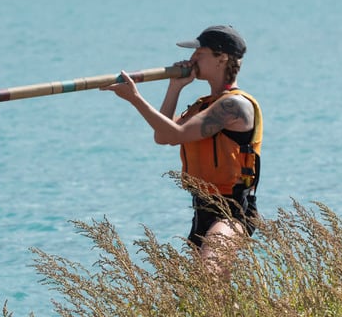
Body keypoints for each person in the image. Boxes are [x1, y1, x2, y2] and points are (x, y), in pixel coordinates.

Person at [103, 24, 263, 264]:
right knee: (204, 291)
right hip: (203, 208)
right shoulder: (204, 104)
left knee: (208, 274)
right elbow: (164, 136)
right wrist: (174, 87)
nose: (191, 59)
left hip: (232, 212)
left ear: (222, 59)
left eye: (200, 54)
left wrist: (135, 99)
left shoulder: (235, 106)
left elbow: (175, 133)